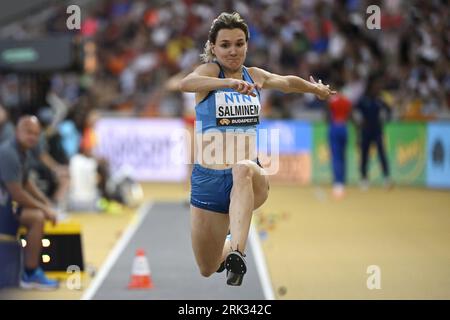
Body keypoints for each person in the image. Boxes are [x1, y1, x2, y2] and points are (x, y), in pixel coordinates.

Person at [179, 12, 335, 286]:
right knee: (207, 267)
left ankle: (238, 253)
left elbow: (287, 83)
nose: (233, 50)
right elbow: (185, 83)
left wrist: (316, 90)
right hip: (207, 181)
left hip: (250, 178)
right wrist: (228, 82)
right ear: (213, 47)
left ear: (247, 45)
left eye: (239, 43)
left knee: (242, 168)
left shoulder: (255, 76)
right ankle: (229, 250)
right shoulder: (209, 74)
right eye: (225, 45)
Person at [0, 116, 59, 290]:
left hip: (5, 206)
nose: (32, 137)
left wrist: (47, 202)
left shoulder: (22, 152)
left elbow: (26, 183)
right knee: (37, 218)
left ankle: (30, 271)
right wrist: (45, 209)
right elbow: (18, 194)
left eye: (36, 133)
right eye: (28, 132)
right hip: (4, 207)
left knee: (39, 213)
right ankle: (30, 273)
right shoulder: (8, 153)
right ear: (17, 131)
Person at [355, 77, 392, 189]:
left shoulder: (380, 100)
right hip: (365, 131)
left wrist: (385, 119)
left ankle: (386, 178)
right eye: (376, 86)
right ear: (370, 87)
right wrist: (358, 123)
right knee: (364, 155)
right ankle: (364, 178)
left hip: (377, 131)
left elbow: (389, 110)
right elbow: (354, 111)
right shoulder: (363, 100)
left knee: (381, 154)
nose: (378, 88)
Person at [327, 87, 352, 198]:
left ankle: (338, 184)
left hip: (335, 128)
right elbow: (349, 115)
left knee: (336, 157)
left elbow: (328, 115)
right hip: (344, 127)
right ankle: (342, 182)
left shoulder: (333, 101)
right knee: (343, 156)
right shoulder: (347, 101)